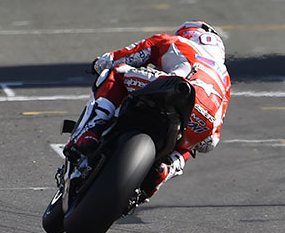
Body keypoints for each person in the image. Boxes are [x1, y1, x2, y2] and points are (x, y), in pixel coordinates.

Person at [63, 20, 231, 198]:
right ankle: (166, 170)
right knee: (191, 144)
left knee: (115, 73)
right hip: (204, 118)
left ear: (188, 34)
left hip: (174, 87)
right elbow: (209, 143)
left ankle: (91, 131)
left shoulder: (174, 42)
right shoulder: (225, 79)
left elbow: (118, 59)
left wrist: (98, 63)